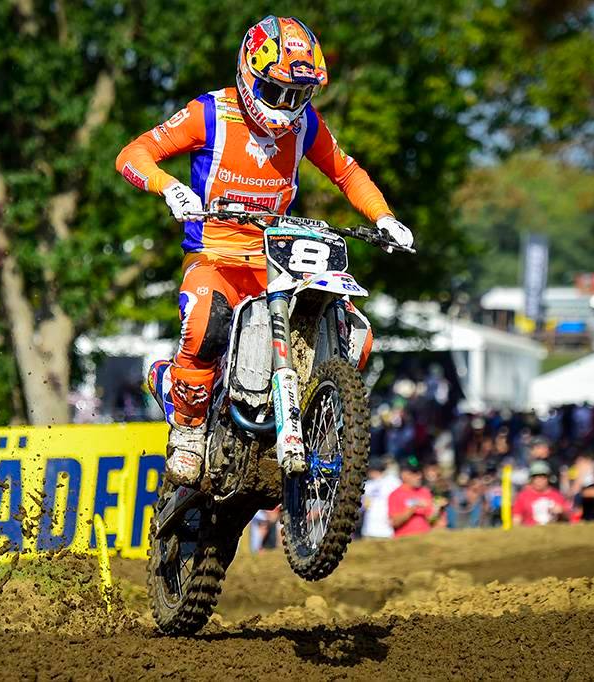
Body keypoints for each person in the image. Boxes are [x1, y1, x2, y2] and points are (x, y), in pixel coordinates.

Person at [116, 15, 412, 485]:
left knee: (355, 335)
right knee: (206, 324)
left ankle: (311, 418)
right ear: (248, 74)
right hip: (214, 254)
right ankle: (188, 427)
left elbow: (347, 171)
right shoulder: (210, 113)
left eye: (298, 95)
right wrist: (168, 187)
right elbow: (132, 154)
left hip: (277, 259)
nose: (286, 106)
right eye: (276, 91)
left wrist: (384, 217)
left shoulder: (305, 124)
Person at [388, 457, 440, 538]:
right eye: (414, 472)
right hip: (404, 540)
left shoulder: (425, 492)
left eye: (419, 472)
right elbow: (394, 522)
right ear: (403, 475)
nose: (419, 476)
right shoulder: (395, 495)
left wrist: (437, 508)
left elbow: (431, 520)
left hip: (425, 539)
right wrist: (413, 508)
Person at [512, 460, 568, 527]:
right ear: (531, 479)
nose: (539, 480)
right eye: (536, 477)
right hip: (530, 531)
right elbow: (516, 519)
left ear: (548, 478)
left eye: (543, 477)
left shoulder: (557, 495)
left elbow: (569, 519)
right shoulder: (523, 496)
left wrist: (562, 512)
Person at [361, 456, 401, 538]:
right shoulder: (367, 485)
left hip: (387, 530)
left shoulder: (393, 481)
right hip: (369, 529)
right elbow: (363, 506)